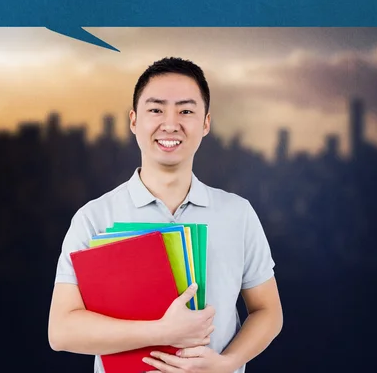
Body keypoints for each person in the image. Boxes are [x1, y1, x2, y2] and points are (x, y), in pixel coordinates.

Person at [48, 57, 283, 373]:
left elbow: (268, 311)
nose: (170, 124)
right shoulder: (94, 217)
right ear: (134, 121)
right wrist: (163, 331)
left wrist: (228, 363)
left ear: (206, 123)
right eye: (156, 110)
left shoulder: (237, 213)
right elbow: (61, 331)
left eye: (186, 111)